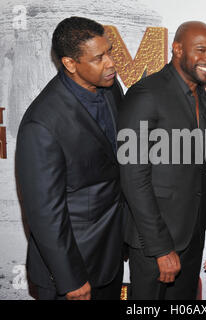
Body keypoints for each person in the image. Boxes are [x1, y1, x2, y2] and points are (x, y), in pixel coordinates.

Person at [15, 17, 125, 300]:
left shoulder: (111, 89)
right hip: (71, 270)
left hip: (109, 257)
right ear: (70, 64)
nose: (111, 63)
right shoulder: (42, 124)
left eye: (109, 52)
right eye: (99, 58)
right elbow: (45, 213)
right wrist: (70, 279)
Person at [118, 21, 206, 299]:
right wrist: (161, 248)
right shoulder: (145, 94)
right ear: (177, 49)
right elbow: (133, 177)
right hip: (154, 242)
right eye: (200, 49)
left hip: (192, 238)